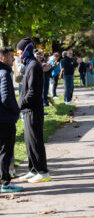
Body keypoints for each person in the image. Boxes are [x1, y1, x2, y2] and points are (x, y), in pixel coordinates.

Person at [16, 37, 51, 183]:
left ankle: (43, 172)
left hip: (33, 110)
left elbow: (32, 92)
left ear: (26, 51)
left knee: (35, 141)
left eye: (19, 52)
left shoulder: (34, 66)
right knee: (29, 140)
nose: (18, 55)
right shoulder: (30, 64)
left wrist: (18, 105)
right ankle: (33, 169)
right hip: (28, 110)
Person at [0, 47, 23, 193]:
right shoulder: (4, 73)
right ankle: (5, 182)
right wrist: (17, 110)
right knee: (5, 151)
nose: (13, 59)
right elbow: (6, 97)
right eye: (10, 57)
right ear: (3, 58)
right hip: (5, 119)